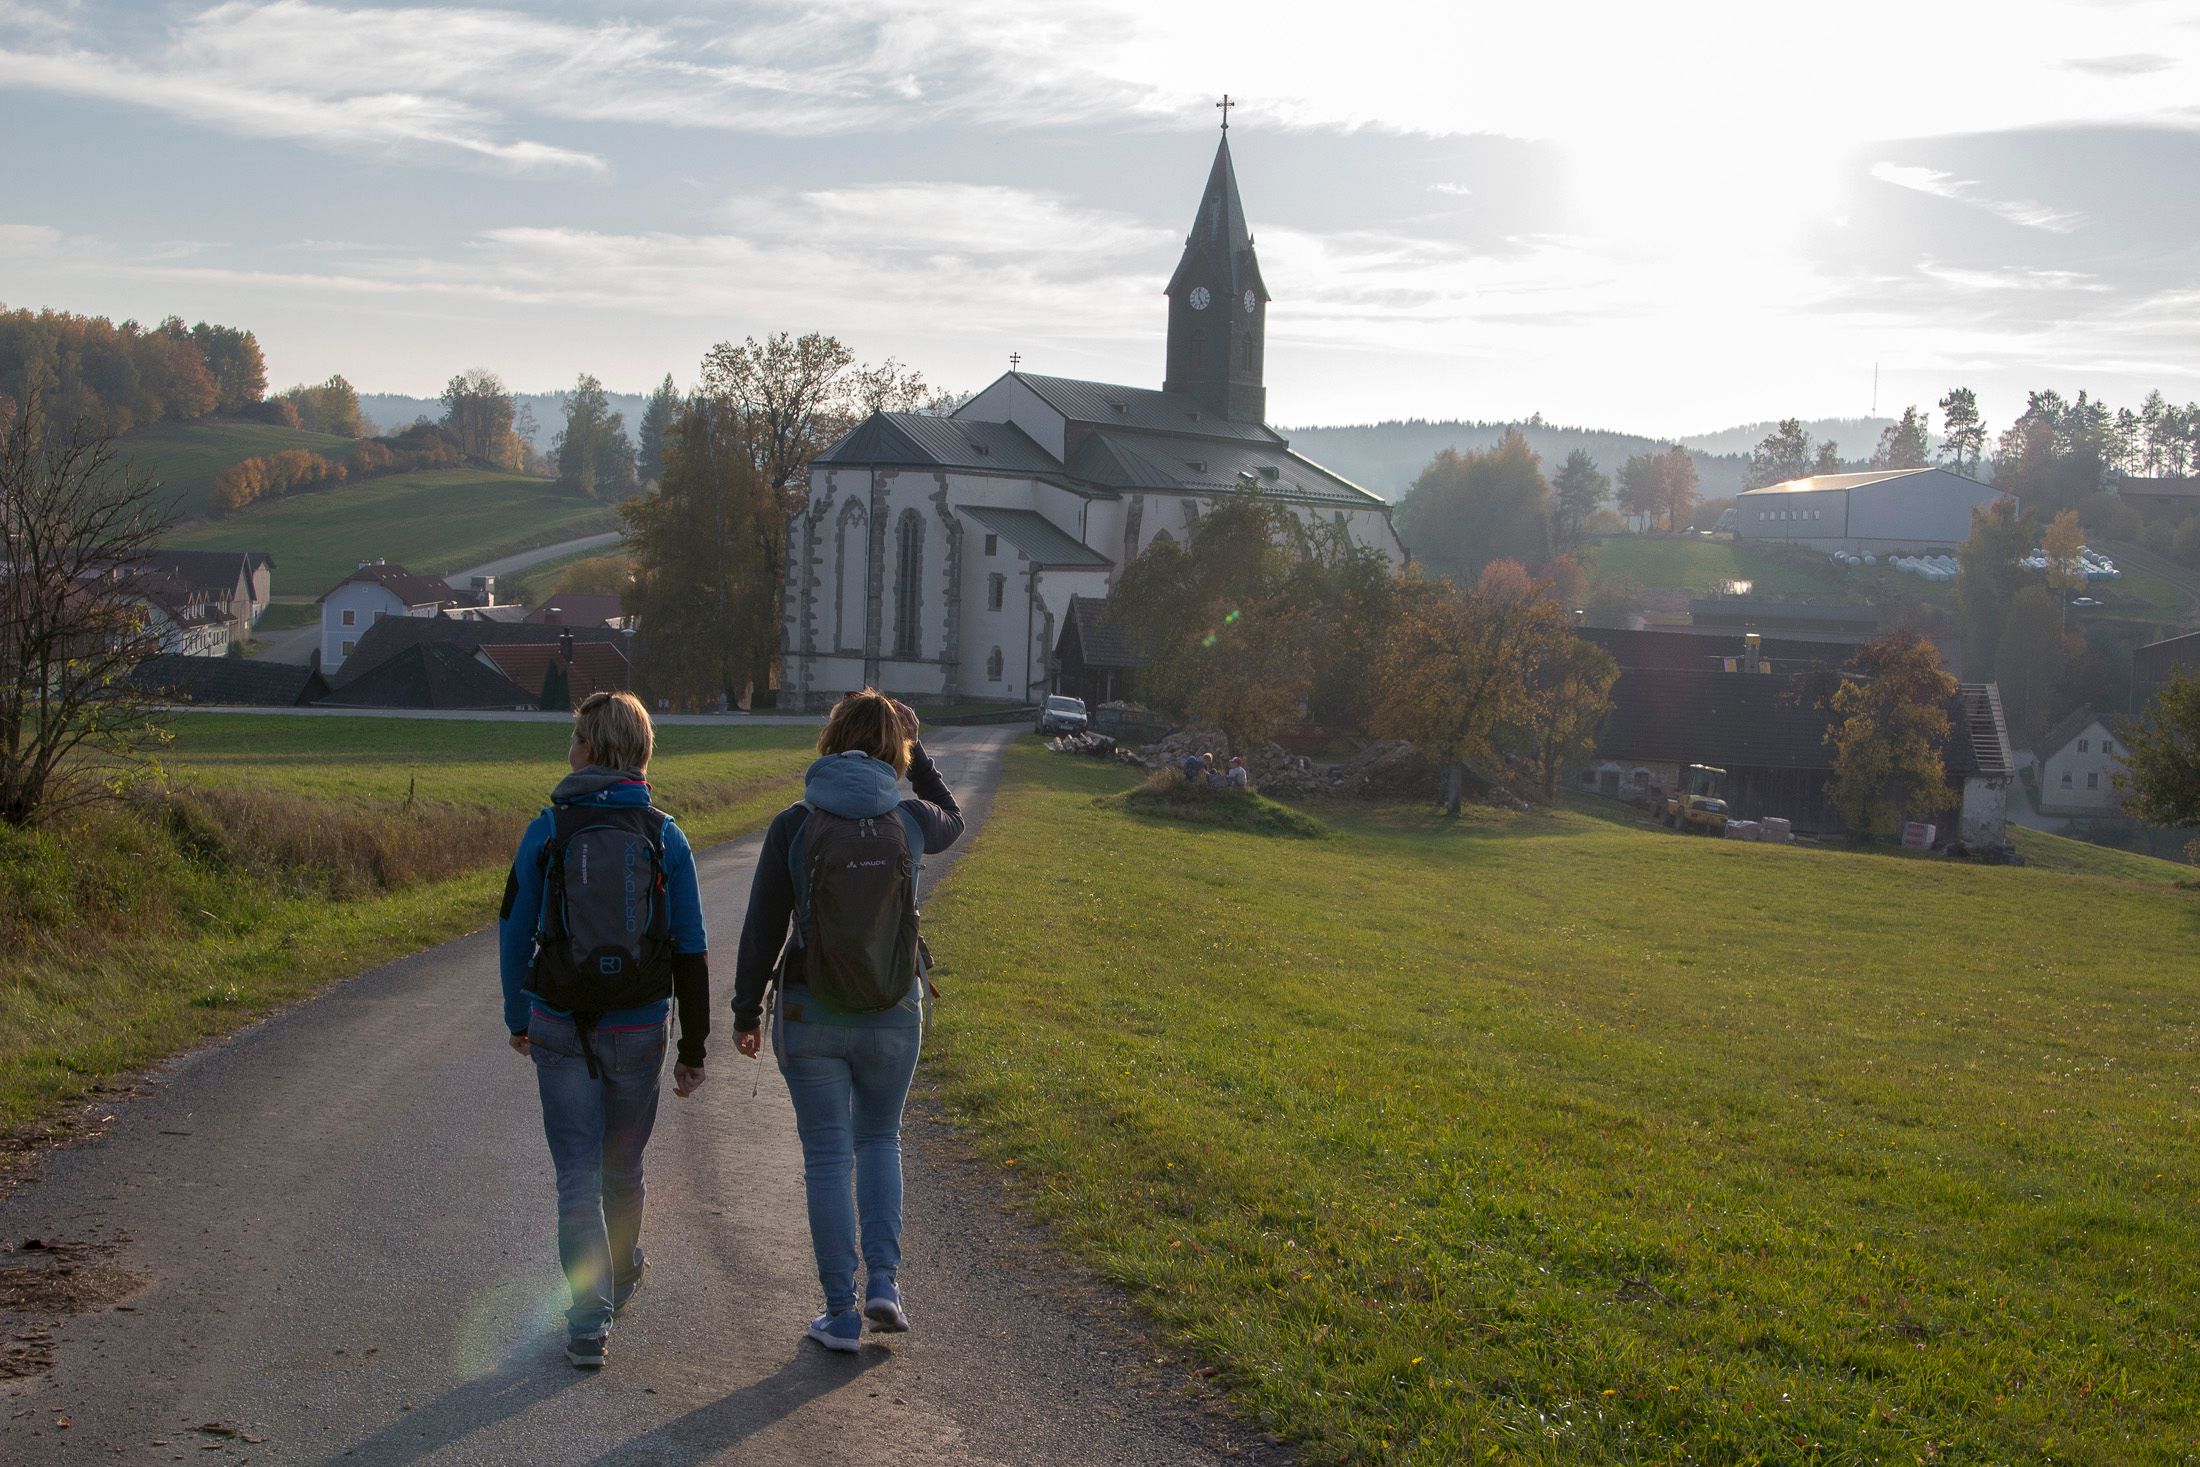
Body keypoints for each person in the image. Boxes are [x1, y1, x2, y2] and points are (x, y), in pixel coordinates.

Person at [731, 690, 964, 1352]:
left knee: (828, 1156)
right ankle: (885, 1284)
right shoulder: (911, 818)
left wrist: (746, 1010)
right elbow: (955, 817)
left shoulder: (795, 823)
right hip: (894, 1009)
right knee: (881, 1139)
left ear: (830, 741)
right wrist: (918, 759)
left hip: (810, 1011)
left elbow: (762, 927)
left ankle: (839, 1312)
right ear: (897, 749)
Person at [499, 691, 710, 1371]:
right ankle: (618, 1276)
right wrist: (693, 1046)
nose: (570, 749)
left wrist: (518, 1015)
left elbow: (513, 929)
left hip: (559, 1021)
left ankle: (587, 1322)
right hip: (640, 1025)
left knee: (575, 1176)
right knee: (623, 1168)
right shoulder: (665, 835)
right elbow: (691, 945)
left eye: (574, 739)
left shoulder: (547, 829)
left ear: (589, 748)